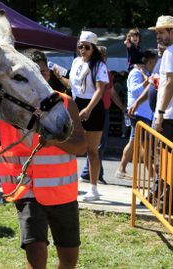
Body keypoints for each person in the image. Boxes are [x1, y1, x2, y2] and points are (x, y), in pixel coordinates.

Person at [0, 48, 86, 269]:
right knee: (36, 255)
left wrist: (55, 141)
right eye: (35, 74)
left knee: (69, 259)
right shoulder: (9, 107)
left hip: (63, 193)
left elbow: (82, 146)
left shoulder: (65, 103)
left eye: (43, 72)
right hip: (27, 191)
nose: (41, 78)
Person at [64, 31, 109, 201]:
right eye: (80, 46)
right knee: (71, 146)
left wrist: (89, 109)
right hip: (76, 104)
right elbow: (72, 84)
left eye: (86, 47)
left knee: (91, 150)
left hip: (93, 107)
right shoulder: (76, 62)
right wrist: (58, 75)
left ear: (94, 48)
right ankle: (70, 182)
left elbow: (100, 90)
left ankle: (93, 187)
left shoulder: (99, 65)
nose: (82, 50)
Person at [78, 46, 126, 184]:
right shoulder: (99, 70)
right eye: (102, 54)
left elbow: (110, 93)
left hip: (96, 109)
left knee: (96, 146)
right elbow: (109, 92)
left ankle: (92, 173)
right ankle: (91, 174)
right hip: (98, 110)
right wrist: (122, 107)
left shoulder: (99, 71)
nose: (104, 57)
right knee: (97, 146)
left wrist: (122, 107)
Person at [117, 50, 158, 178]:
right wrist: (147, 82)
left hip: (144, 113)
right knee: (144, 143)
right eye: (155, 62)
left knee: (134, 142)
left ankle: (121, 169)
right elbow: (134, 92)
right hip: (138, 113)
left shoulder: (146, 73)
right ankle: (151, 173)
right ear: (150, 61)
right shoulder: (135, 72)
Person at [151, 15, 173, 139]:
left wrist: (160, 113)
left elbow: (170, 83)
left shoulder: (170, 52)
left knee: (166, 157)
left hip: (168, 116)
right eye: (156, 33)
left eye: (161, 32)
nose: (158, 36)